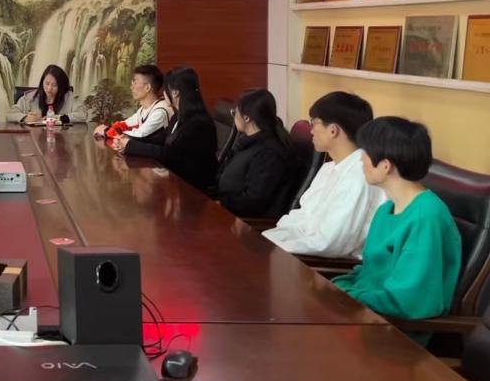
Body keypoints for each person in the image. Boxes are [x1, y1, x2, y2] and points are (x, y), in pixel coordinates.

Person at [332, 117, 460, 341]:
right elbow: (369, 274)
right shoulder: (386, 210)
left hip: (393, 334)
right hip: (366, 316)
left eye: (366, 153)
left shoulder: (426, 217)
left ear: (385, 165)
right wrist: (334, 288)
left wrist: (347, 295)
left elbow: (408, 301)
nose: (361, 159)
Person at [262, 91, 382, 259]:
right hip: (300, 251)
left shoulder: (360, 175)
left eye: (314, 123)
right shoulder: (329, 168)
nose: (311, 131)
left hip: (324, 264)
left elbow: (330, 243)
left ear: (333, 130)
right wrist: (268, 239)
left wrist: (274, 246)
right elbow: (301, 216)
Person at [113, 67, 217, 192]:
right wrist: (128, 140)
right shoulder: (178, 116)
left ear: (175, 93)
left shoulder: (197, 123)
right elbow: (159, 140)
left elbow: (169, 154)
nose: (163, 93)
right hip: (177, 182)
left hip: (193, 189)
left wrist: (130, 145)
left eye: (166, 89)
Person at [214, 88, 292, 217]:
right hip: (225, 207)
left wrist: (221, 203)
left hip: (241, 219)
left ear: (246, 117)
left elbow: (253, 202)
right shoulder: (247, 141)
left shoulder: (269, 154)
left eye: (235, 112)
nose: (234, 116)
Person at [93, 65, 171, 143]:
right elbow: (124, 125)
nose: (131, 87)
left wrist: (106, 131)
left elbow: (139, 135)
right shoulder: (143, 110)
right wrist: (108, 128)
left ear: (147, 87)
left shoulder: (160, 111)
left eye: (135, 83)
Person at [7, 64, 88, 124]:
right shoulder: (29, 98)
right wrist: (25, 118)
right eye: (47, 83)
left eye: (54, 85)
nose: (49, 88)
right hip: (35, 138)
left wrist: (60, 118)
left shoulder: (70, 97)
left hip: (63, 138)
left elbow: (83, 114)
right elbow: (10, 114)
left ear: (61, 86)